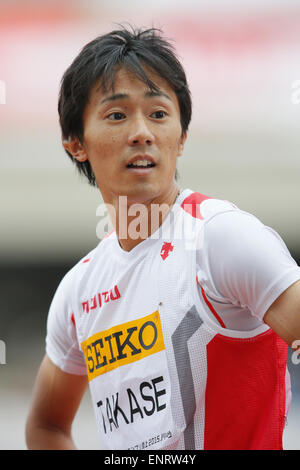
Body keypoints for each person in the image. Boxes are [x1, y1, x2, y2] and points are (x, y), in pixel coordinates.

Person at [25, 25, 300, 451]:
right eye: (117, 115)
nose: (142, 133)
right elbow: (46, 426)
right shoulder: (78, 290)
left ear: (182, 136)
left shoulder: (221, 239)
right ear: (76, 142)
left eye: (158, 114)